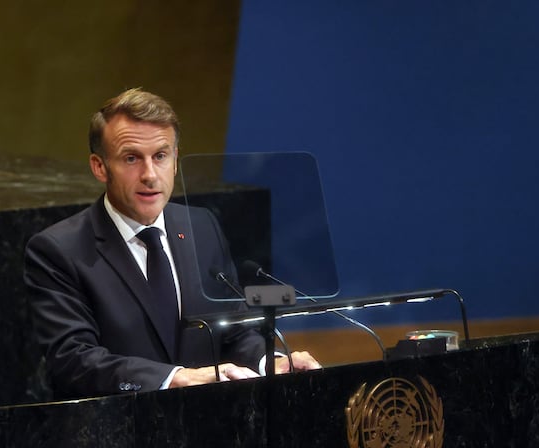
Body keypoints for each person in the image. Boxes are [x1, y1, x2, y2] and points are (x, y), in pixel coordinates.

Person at [24, 88, 320, 399]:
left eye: (160, 156)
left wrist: (270, 360)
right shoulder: (59, 250)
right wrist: (173, 378)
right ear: (100, 167)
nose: (149, 175)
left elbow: (234, 330)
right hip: (117, 431)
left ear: (176, 161)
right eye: (131, 158)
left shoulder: (201, 226)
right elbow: (73, 360)